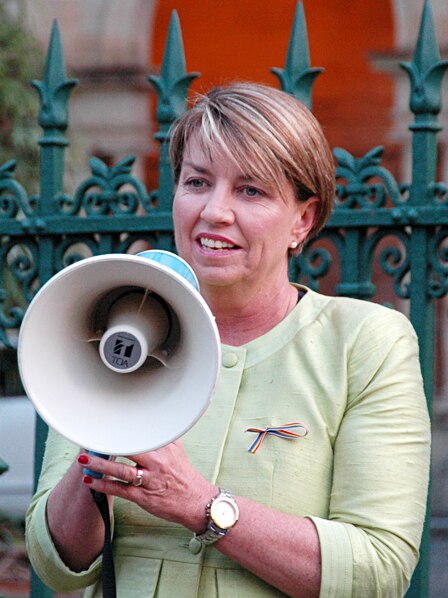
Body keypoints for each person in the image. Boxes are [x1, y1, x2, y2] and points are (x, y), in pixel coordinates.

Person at [25, 82, 430, 597]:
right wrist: (101, 433)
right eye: (197, 182)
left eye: (250, 190)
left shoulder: (366, 343)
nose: (214, 211)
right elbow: (54, 563)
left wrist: (202, 506)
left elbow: (379, 569)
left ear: (302, 220)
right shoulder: (111, 331)